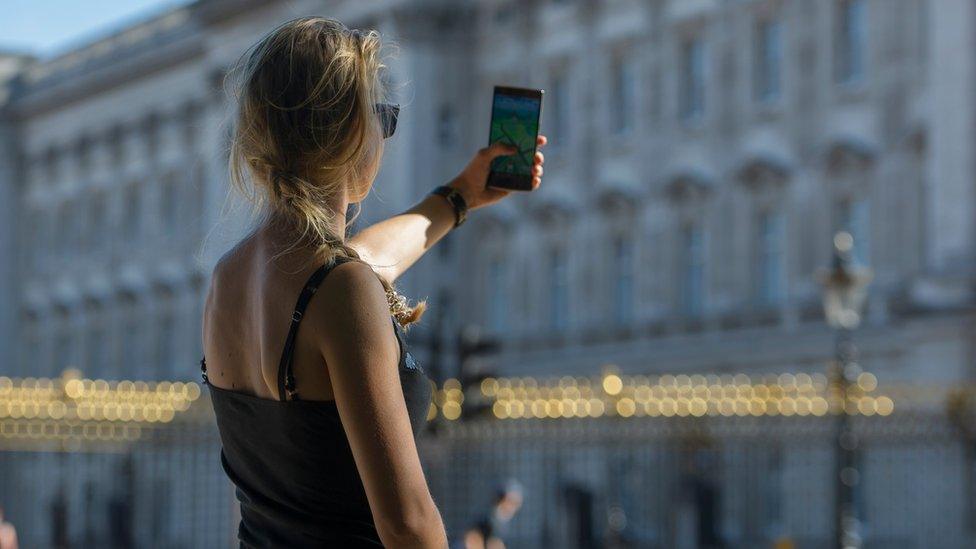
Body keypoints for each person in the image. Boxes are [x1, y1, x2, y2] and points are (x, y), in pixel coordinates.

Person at [200, 16, 546, 548]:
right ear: (352, 134)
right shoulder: (339, 289)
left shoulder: (230, 278)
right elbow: (408, 524)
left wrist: (463, 194)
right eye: (383, 119)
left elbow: (365, 259)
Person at [463, 480, 524, 549]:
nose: (514, 507)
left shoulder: (501, 519)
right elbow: (472, 537)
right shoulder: (490, 519)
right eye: (512, 502)